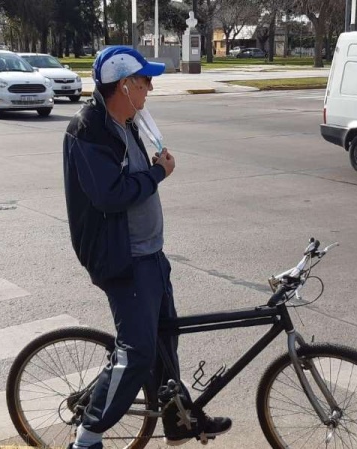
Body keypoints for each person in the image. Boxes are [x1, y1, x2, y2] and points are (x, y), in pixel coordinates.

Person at [63, 46, 232, 449]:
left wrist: (154, 168)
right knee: (138, 351)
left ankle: (177, 421)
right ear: (125, 85)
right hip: (124, 259)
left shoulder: (127, 123)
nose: (150, 88)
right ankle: (88, 436)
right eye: (145, 81)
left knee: (163, 342)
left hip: (150, 254)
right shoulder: (89, 129)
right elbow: (109, 194)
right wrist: (158, 173)